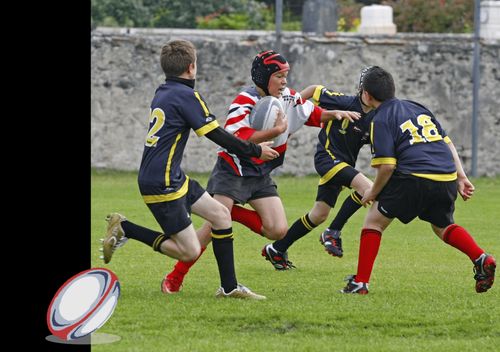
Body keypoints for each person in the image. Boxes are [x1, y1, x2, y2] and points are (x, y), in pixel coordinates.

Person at [162, 50, 360, 293]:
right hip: (232, 169)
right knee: (212, 228)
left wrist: (334, 114)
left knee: (277, 230)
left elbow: (310, 113)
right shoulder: (244, 100)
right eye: (279, 76)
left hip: (260, 173)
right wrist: (274, 132)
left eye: (286, 75)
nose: (284, 81)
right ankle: (175, 277)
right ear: (264, 77)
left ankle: (230, 213)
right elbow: (237, 137)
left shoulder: (288, 97)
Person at [99, 39, 280, 300]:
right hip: (162, 184)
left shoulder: (164, 91)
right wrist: (256, 150)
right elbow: (217, 135)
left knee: (220, 214)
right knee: (189, 251)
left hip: (171, 176)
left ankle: (229, 288)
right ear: (192, 67)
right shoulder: (186, 95)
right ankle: (126, 228)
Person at [340, 66, 496, 294]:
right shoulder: (417, 107)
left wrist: (373, 192)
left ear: (366, 95)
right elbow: (446, 142)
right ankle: (481, 258)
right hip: (445, 176)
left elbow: (387, 166)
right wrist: (461, 176)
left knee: (374, 221)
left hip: (413, 176)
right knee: (443, 226)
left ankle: (360, 283)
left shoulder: (380, 118)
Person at [261, 68, 377, 270]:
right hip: (327, 158)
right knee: (370, 188)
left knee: (319, 214)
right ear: (362, 89)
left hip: (343, 166)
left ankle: (277, 248)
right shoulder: (345, 102)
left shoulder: (377, 118)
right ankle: (333, 231)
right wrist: (290, 111)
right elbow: (315, 90)